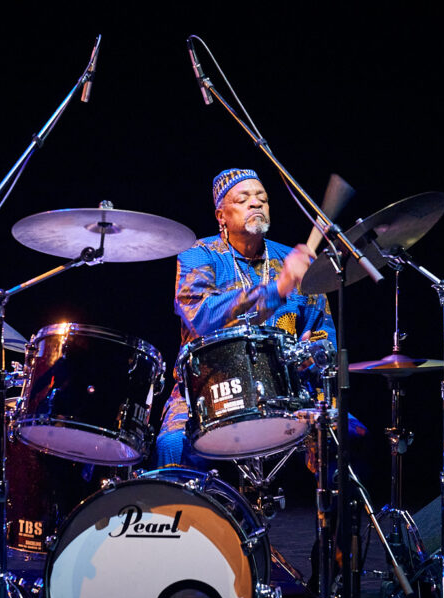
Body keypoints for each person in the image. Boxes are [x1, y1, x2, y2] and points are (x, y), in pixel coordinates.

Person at [154, 168, 362, 468]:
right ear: (221, 216)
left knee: (348, 433)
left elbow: (322, 332)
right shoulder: (199, 254)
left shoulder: (291, 260)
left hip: (285, 392)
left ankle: (334, 500)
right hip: (209, 391)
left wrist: (314, 353)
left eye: (262, 198)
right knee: (173, 444)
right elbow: (201, 315)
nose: (255, 203)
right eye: (243, 199)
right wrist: (278, 288)